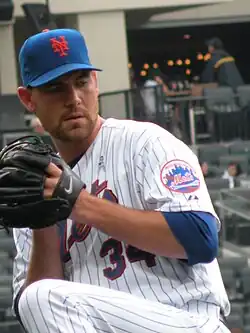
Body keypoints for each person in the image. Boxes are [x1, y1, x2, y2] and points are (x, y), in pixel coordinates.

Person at [12, 28, 230, 333]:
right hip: (106, 326)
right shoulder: (33, 187)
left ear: (95, 83)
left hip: (184, 319)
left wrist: (80, 204)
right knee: (38, 298)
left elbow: (200, 238)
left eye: (81, 82)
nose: (73, 98)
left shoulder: (145, 144)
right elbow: (36, 309)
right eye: (55, 88)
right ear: (28, 99)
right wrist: (44, 219)